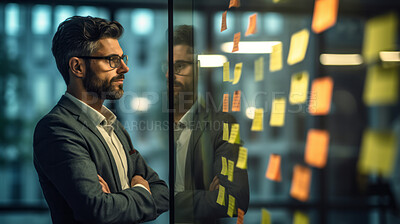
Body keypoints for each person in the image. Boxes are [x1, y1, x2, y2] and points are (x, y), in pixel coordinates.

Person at [33, 16, 169, 224]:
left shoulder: (113, 126)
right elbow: (99, 211)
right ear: (77, 67)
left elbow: (162, 192)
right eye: (112, 60)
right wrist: (141, 189)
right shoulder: (56, 129)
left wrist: (115, 201)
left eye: (123, 58)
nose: (124, 68)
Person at [167, 25, 249, 223]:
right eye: (166, 66)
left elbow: (234, 200)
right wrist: (206, 196)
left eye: (180, 66)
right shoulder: (149, 128)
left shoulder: (222, 125)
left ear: (197, 69)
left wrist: (168, 200)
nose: (170, 75)